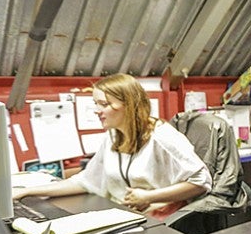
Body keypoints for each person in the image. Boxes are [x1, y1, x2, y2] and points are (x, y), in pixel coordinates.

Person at [13, 73, 211, 216]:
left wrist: (149, 196)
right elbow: (86, 181)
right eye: (96, 103)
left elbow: (201, 181)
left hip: (159, 220)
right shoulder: (113, 136)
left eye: (104, 104)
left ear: (130, 105)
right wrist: (28, 191)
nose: (97, 110)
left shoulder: (162, 137)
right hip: (123, 215)